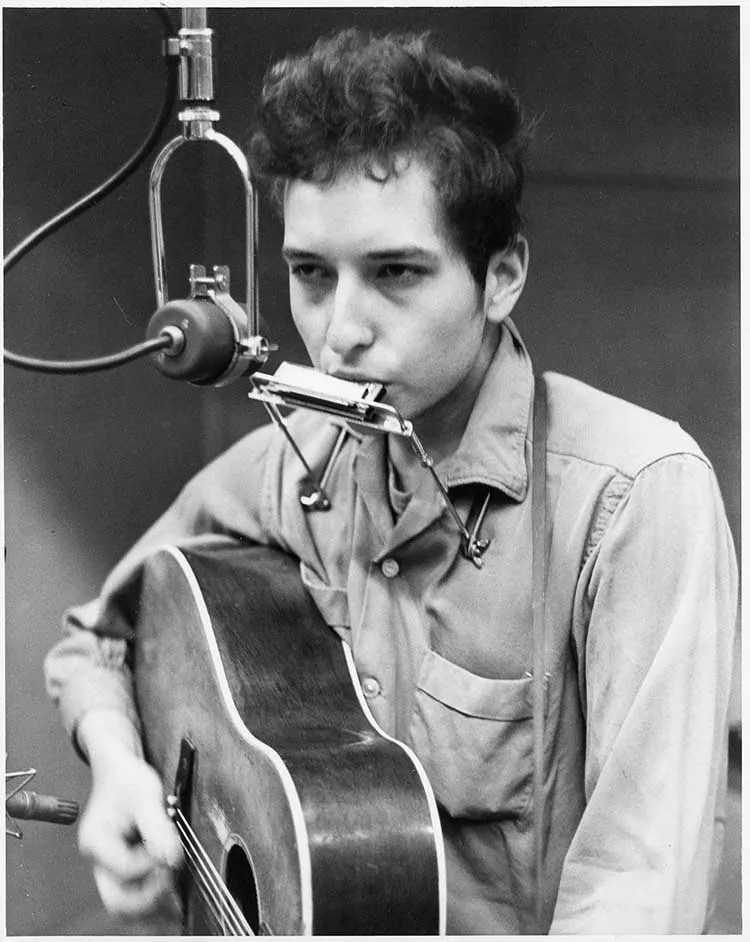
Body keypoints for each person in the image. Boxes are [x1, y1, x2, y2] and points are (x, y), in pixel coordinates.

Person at [44, 28, 737, 935]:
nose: (338, 334)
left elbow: (635, 897)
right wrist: (121, 775)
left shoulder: (635, 496)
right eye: (309, 276)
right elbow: (95, 641)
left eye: (395, 273)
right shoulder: (304, 459)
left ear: (502, 278)